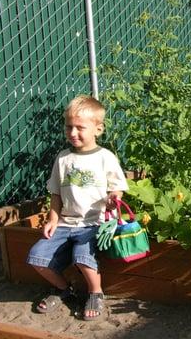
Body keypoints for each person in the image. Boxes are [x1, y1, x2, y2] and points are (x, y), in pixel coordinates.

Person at [27, 95, 128, 320]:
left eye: (80, 128)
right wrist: (53, 219)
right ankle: (64, 289)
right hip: (65, 223)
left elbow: (117, 187)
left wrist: (114, 196)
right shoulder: (62, 159)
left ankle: (96, 292)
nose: (72, 133)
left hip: (93, 223)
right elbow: (56, 193)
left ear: (98, 129)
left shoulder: (105, 157)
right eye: (69, 127)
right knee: (36, 256)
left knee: (82, 256)